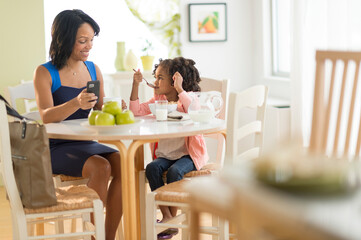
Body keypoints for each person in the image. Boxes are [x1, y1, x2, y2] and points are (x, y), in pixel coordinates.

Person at [33, 9, 123, 240]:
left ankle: (107, 237)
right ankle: (95, 237)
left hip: (87, 143)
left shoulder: (93, 69)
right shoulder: (45, 72)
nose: (88, 46)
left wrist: (116, 106)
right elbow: (45, 116)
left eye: (91, 40)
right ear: (64, 39)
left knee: (124, 163)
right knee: (101, 167)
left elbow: (101, 110)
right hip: (55, 147)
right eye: (82, 41)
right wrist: (75, 102)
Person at [129, 57, 209, 239]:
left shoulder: (189, 98)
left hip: (189, 156)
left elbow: (193, 110)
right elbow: (135, 111)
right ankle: (167, 215)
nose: (156, 82)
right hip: (166, 154)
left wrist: (180, 89)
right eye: (155, 77)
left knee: (174, 172)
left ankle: (169, 222)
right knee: (152, 168)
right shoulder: (159, 100)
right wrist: (135, 85)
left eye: (160, 78)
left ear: (174, 81)